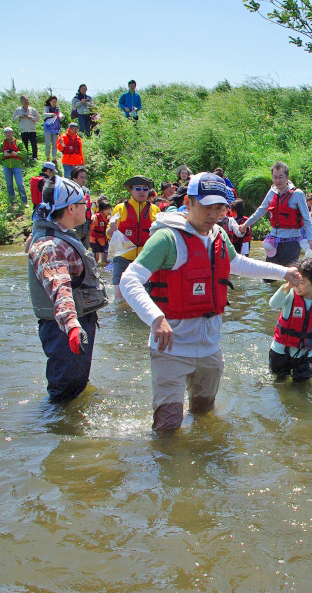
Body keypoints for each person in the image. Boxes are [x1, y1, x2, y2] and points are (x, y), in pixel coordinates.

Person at [118, 172, 300, 432]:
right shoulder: (167, 238)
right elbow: (129, 280)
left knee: (204, 417)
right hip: (172, 348)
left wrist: (284, 272)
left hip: (209, 348)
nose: (213, 215)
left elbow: (238, 264)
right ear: (190, 203)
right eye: (207, 207)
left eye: (220, 208)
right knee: (167, 426)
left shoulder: (219, 236)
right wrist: (155, 317)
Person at [28, 177, 109, 403]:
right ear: (71, 208)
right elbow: (59, 288)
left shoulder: (60, 234)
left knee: (78, 386)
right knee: (64, 395)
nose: (89, 208)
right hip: (63, 329)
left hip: (74, 324)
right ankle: (57, 433)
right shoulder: (51, 246)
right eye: (85, 204)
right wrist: (72, 325)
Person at [239, 161, 312, 274]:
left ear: (287, 177)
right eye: (275, 177)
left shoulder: (297, 194)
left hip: (291, 241)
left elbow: (306, 218)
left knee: (289, 273)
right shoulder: (272, 192)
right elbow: (261, 210)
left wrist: (310, 240)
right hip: (274, 240)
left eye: (281, 177)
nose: (278, 181)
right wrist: (246, 224)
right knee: (269, 276)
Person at [107, 176, 160, 301]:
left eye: (145, 189)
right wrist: (112, 229)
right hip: (122, 258)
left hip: (144, 260)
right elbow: (108, 234)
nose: (142, 192)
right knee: (119, 298)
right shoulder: (120, 208)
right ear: (131, 190)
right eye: (138, 189)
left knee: (145, 298)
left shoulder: (155, 210)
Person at [0, 127, 28, 209]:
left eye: (9, 132)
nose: (7, 134)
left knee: (20, 184)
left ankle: (24, 202)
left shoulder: (19, 143)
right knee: (9, 185)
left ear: (12, 133)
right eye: (6, 133)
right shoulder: (2, 144)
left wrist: (16, 153)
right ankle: (13, 203)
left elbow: (25, 153)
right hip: (7, 166)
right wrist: (3, 154)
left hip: (16, 166)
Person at [12, 95, 40, 162]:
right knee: (25, 144)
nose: (26, 101)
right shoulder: (18, 110)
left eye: (27, 100)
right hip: (23, 130)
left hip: (32, 129)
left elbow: (38, 118)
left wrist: (31, 117)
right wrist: (19, 116)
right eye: (24, 100)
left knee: (34, 144)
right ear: (21, 101)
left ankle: (35, 157)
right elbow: (14, 119)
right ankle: (26, 157)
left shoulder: (32, 110)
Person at [69, 165, 91, 245]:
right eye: (81, 177)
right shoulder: (69, 191)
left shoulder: (86, 191)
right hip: (74, 227)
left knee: (85, 254)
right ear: (74, 178)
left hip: (86, 226)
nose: (84, 180)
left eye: (85, 177)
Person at [89, 197, 112, 266]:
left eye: (109, 209)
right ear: (101, 210)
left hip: (104, 239)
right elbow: (91, 228)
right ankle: (94, 268)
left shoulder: (108, 218)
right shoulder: (96, 217)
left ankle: (103, 266)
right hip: (95, 239)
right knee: (96, 256)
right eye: (106, 209)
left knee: (105, 258)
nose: (108, 211)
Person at [42, 96, 63, 164]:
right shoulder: (46, 108)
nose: (54, 103)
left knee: (55, 143)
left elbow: (60, 114)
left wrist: (61, 116)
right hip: (47, 127)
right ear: (49, 101)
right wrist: (51, 114)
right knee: (48, 144)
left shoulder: (57, 109)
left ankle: (54, 158)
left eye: (55, 102)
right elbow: (44, 114)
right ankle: (47, 158)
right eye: (53, 101)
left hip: (55, 127)